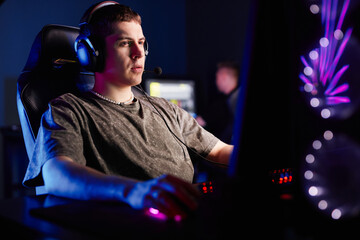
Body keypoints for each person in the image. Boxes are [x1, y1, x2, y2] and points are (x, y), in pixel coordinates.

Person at [23, 1, 233, 219]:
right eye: (124, 43)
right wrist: (134, 191)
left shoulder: (166, 109)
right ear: (93, 53)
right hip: (126, 223)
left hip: (185, 216)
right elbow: (58, 174)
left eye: (141, 43)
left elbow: (219, 151)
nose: (138, 53)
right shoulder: (68, 109)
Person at [199, 62, 240, 144]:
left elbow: (196, 123)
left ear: (223, 77)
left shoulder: (228, 102)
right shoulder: (241, 96)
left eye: (216, 77)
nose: (215, 81)